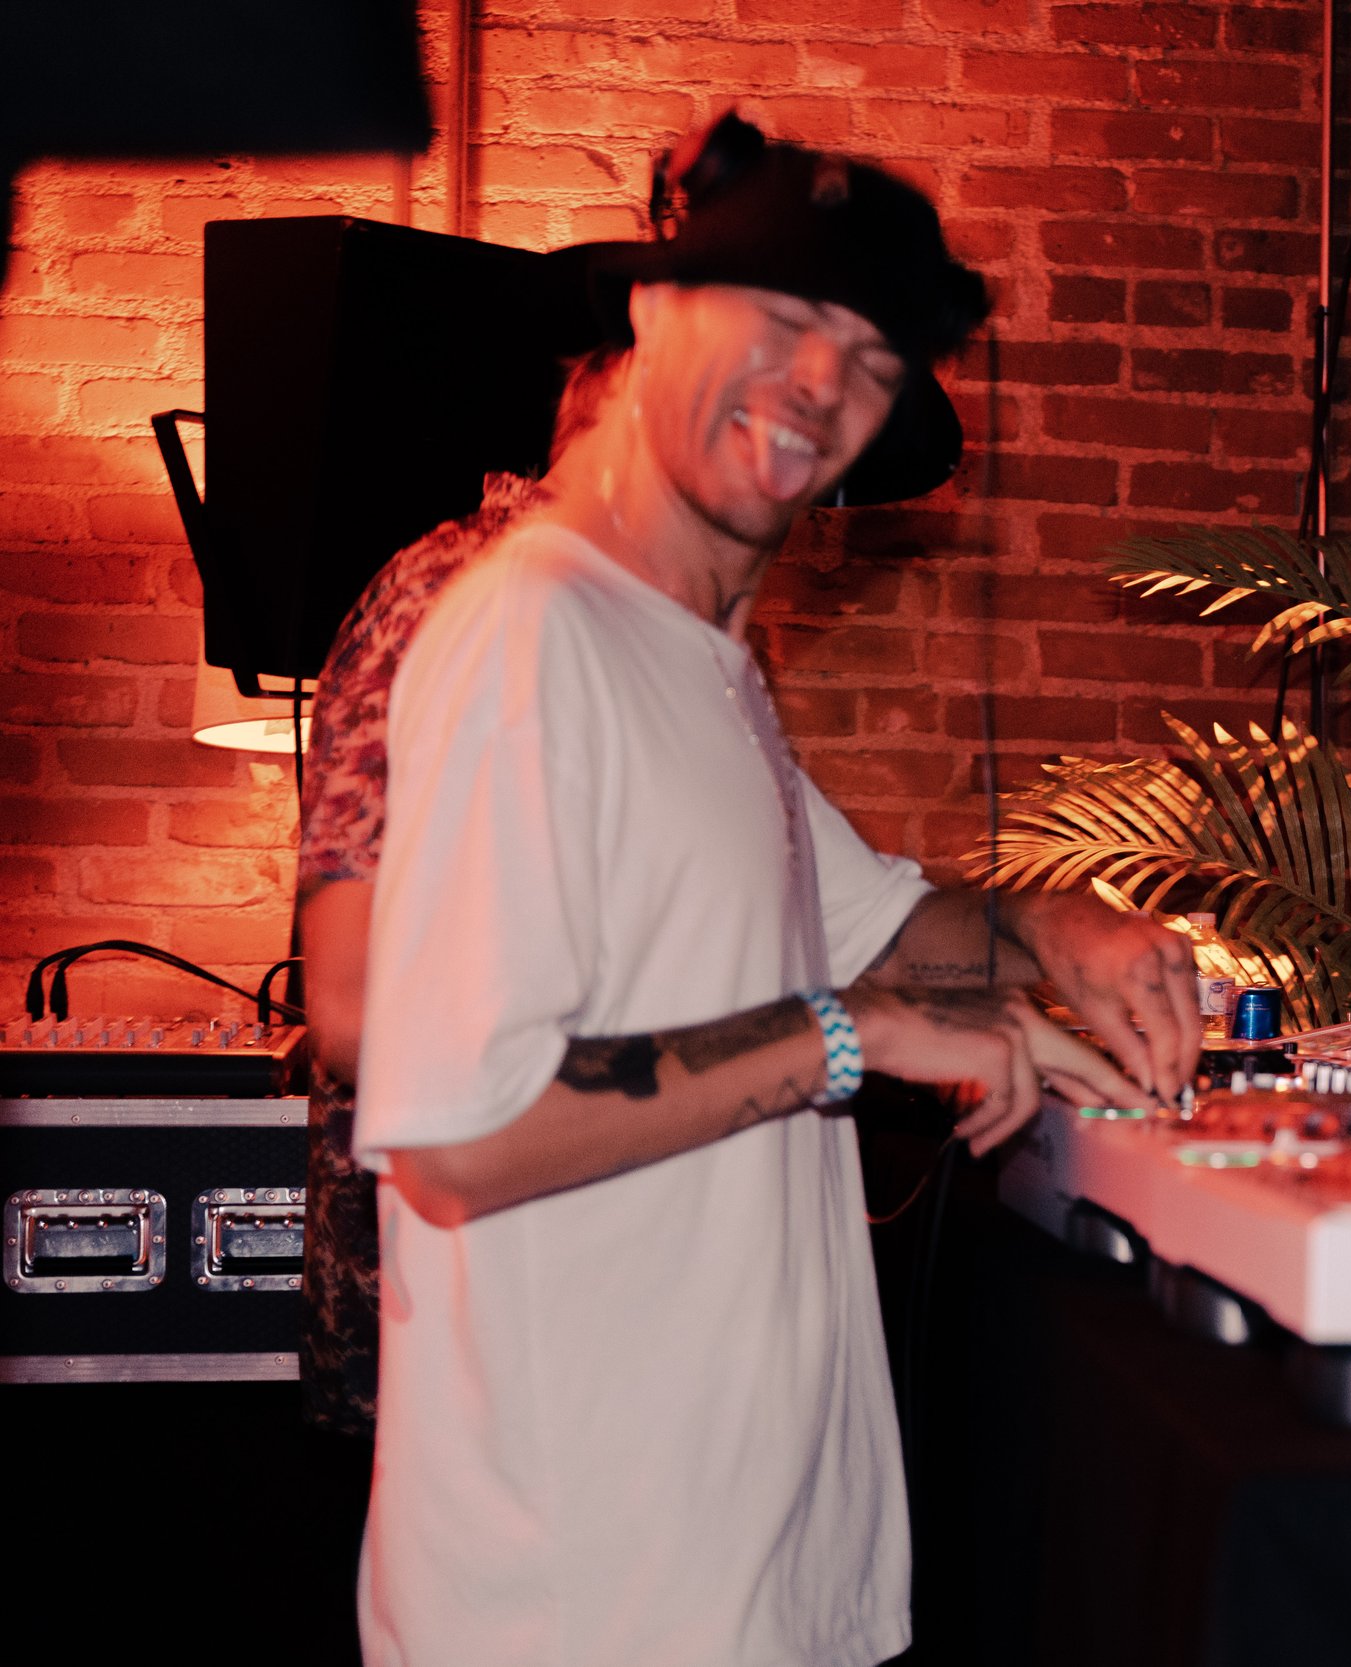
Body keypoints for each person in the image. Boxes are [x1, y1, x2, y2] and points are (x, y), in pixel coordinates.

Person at [338, 113, 1201, 1666]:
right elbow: (460, 1139)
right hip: (590, 1607)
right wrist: (844, 1038)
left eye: (871, 360)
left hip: (733, 1578)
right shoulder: (533, 636)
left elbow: (884, 930)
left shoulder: (695, 657)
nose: (822, 383)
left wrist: (1059, 931)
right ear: (654, 311)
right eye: (787, 317)